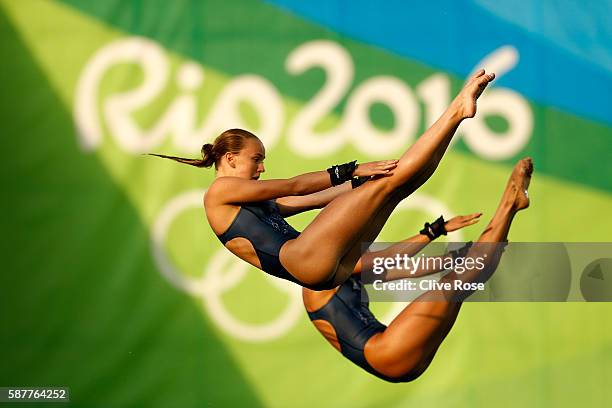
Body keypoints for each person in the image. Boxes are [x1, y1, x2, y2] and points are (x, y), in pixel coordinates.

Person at [150, 70, 496, 290]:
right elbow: (293, 186)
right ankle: (455, 112)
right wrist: (349, 170)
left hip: (327, 270)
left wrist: (357, 183)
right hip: (306, 258)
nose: (261, 169)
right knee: (388, 182)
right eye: (256, 160)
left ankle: (457, 116)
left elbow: (314, 199)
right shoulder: (220, 191)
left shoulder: (249, 202)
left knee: (396, 183)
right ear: (230, 158)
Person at [302, 158, 533, 382]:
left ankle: (511, 208)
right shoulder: (317, 278)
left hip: (398, 356)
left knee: (465, 279)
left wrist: (454, 257)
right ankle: (509, 203)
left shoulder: (342, 271)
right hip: (387, 351)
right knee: (456, 283)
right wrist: (433, 231)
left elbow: (409, 269)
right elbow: (390, 257)